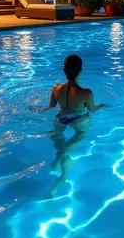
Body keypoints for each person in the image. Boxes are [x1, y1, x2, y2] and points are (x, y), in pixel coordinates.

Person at [37, 54, 106, 193]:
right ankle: (61, 170)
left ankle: (60, 164)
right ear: (80, 71)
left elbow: (50, 107)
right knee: (80, 135)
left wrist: (37, 110)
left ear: (64, 70)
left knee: (59, 144)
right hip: (79, 118)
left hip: (60, 118)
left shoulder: (56, 88)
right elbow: (92, 110)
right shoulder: (86, 93)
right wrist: (101, 106)